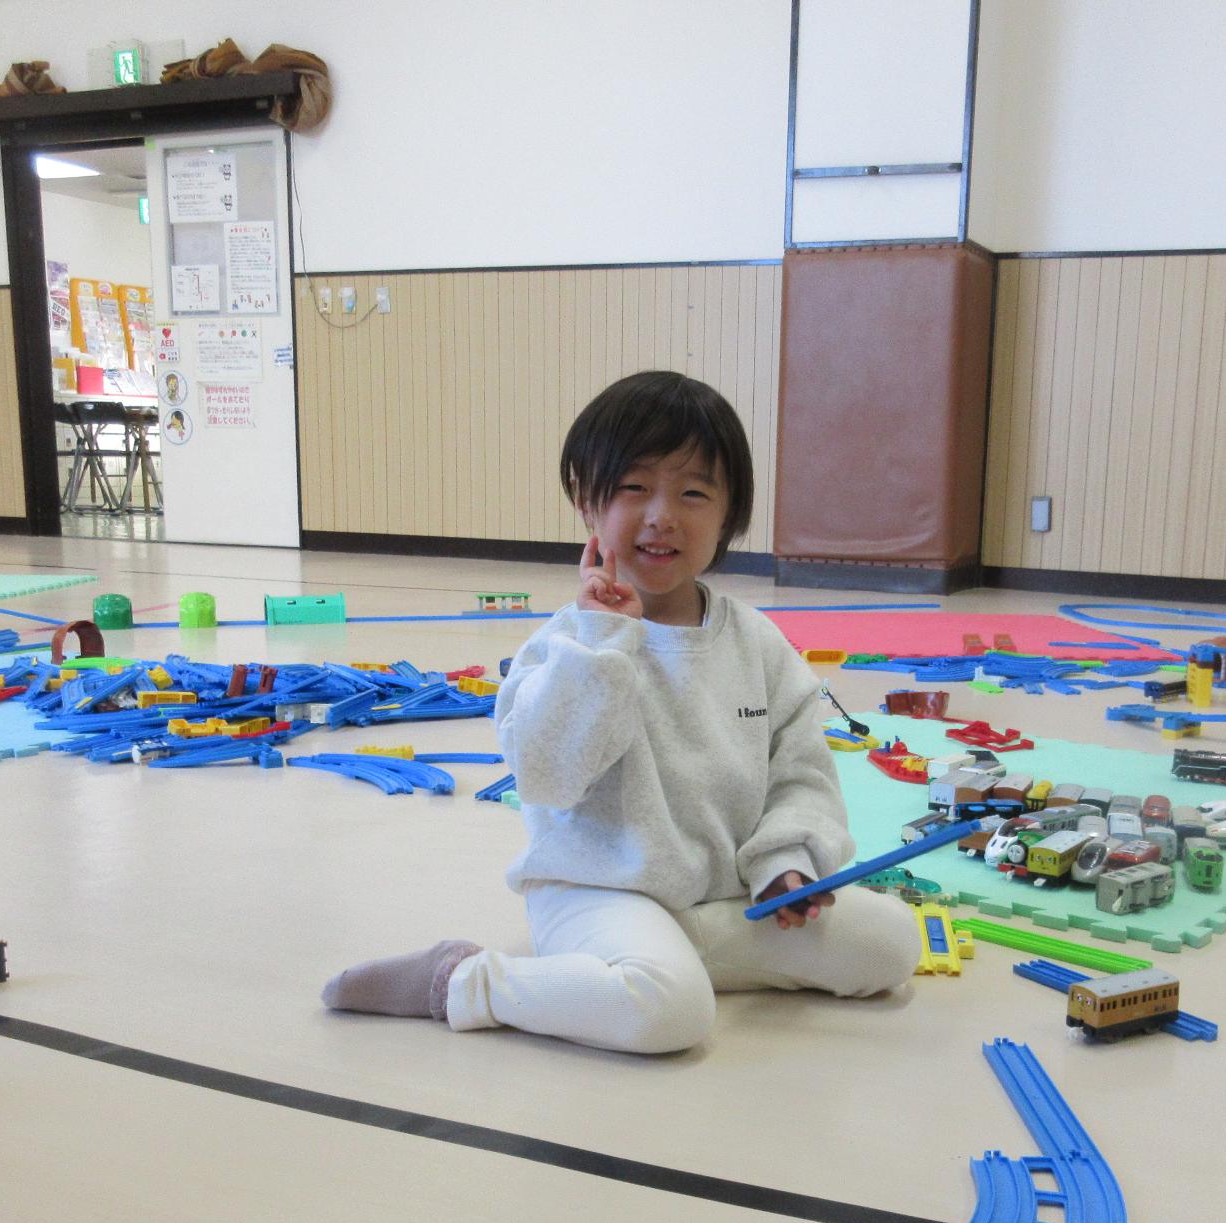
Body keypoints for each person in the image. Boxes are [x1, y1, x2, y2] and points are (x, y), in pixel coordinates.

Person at [321, 370, 920, 1052]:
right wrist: (605, 642)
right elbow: (547, 777)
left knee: (891, 945)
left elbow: (801, 775)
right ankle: (463, 981)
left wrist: (786, 860)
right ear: (587, 502)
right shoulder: (564, 644)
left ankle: (658, 960)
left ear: (729, 516)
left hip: (722, 899)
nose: (662, 515)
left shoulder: (757, 643)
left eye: (693, 492)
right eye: (634, 488)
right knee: (671, 1015)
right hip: (596, 894)